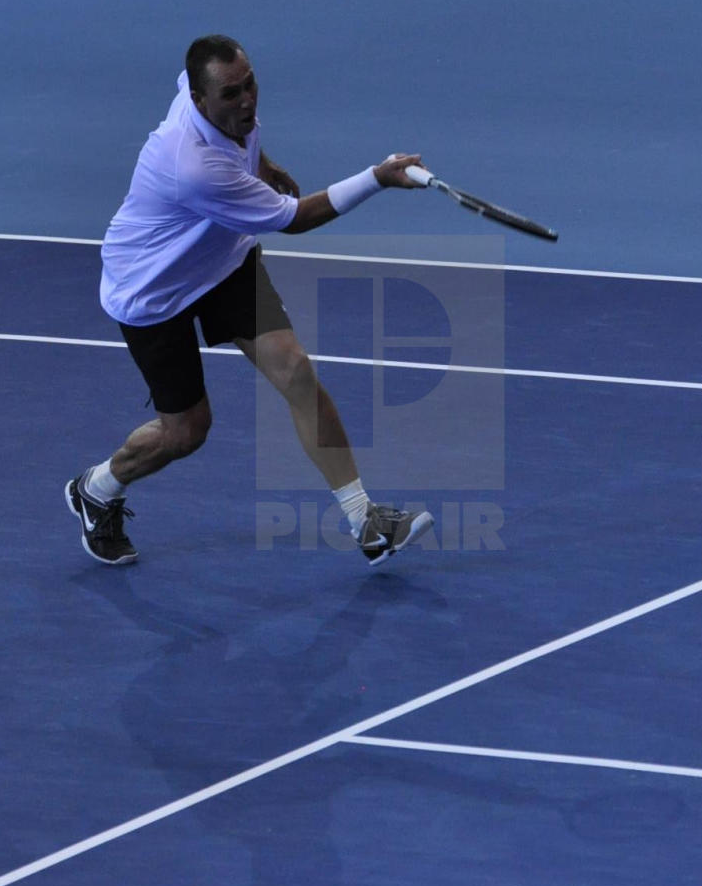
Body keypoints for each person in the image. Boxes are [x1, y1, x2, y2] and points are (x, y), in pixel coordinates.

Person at [65, 34, 434, 568]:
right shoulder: (191, 167)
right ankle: (97, 489)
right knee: (186, 432)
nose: (247, 101)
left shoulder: (196, 93)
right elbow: (298, 219)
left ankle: (366, 522)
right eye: (232, 94)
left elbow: (235, 144)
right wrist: (377, 177)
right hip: (152, 289)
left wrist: (260, 167)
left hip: (222, 259)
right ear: (199, 100)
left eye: (250, 84)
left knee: (296, 370)